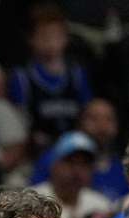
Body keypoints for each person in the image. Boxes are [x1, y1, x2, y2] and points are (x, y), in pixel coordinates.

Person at [6, 3, 92, 152]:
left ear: (66, 38)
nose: (51, 42)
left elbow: (87, 113)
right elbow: (19, 125)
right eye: (45, 37)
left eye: (57, 36)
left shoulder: (76, 74)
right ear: (31, 39)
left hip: (76, 149)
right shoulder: (22, 78)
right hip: (37, 152)